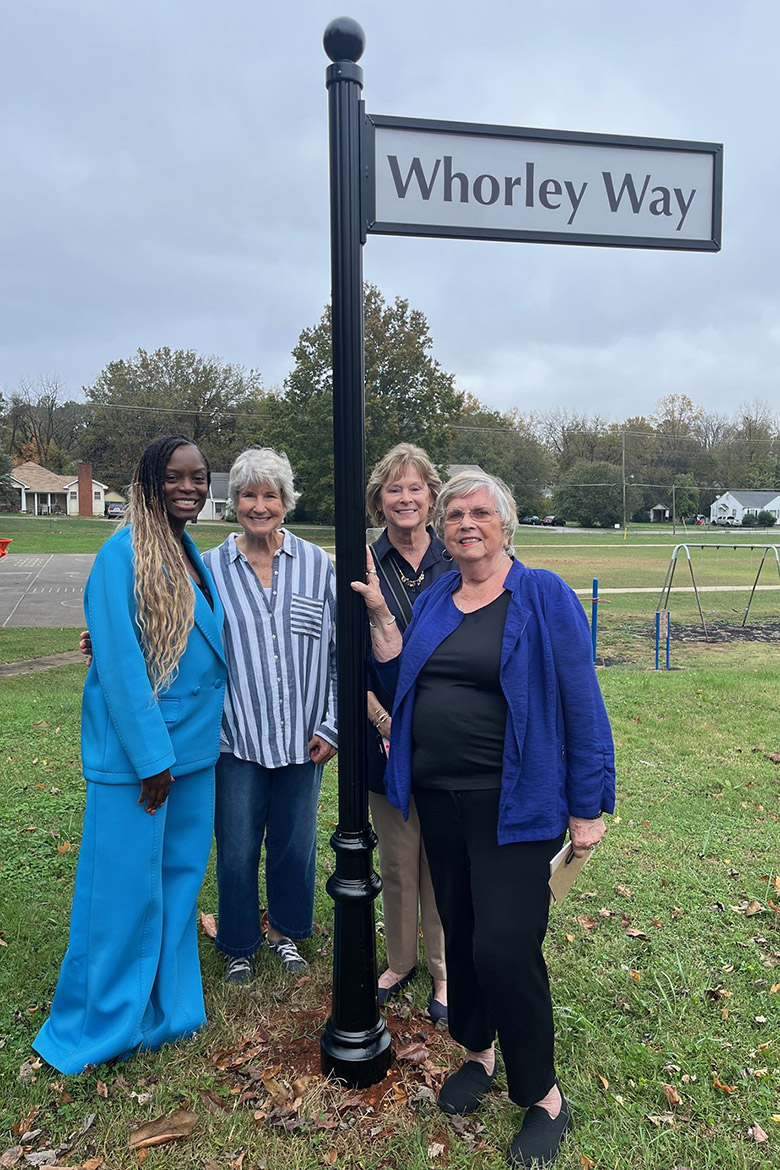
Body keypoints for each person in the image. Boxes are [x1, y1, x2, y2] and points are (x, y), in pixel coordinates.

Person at [353, 470, 615, 1170]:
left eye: (478, 513)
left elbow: (581, 702)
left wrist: (586, 809)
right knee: (463, 933)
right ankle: (479, 1051)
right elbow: (405, 672)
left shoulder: (542, 595)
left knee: (505, 945)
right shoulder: (439, 594)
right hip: (440, 801)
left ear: (506, 522)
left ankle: (545, 1096)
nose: (465, 524)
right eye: (454, 516)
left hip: (515, 806)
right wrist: (382, 616)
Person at [33, 435, 227, 1075]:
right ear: (149, 480)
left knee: (176, 884)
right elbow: (118, 663)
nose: (190, 487)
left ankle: (167, 1012)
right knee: (119, 893)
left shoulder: (186, 548)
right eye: (175, 476)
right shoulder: (122, 555)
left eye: (198, 477)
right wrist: (152, 760)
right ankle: (99, 1023)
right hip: (146, 761)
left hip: (195, 753)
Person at [202, 448, 337, 983]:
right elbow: (178, 636)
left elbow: (337, 652)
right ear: (234, 500)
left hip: (305, 739)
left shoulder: (315, 564)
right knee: (235, 849)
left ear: (285, 502)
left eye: (270, 496)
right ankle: (238, 942)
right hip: (236, 738)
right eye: (249, 495)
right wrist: (106, 636)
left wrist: (332, 725)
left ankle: (284, 932)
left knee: (293, 846)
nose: (260, 506)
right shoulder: (209, 569)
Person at [364, 443, 452, 1021]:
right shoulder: (362, 564)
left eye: (415, 487)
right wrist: (381, 719)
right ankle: (399, 960)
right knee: (397, 860)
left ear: (431, 497)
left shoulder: (457, 560)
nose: (405, 498)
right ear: (380, 499)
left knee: (443, 860)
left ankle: (445, 973)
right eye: (394, 489)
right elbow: (343, 659)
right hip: (382, 738)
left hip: (449, 743)